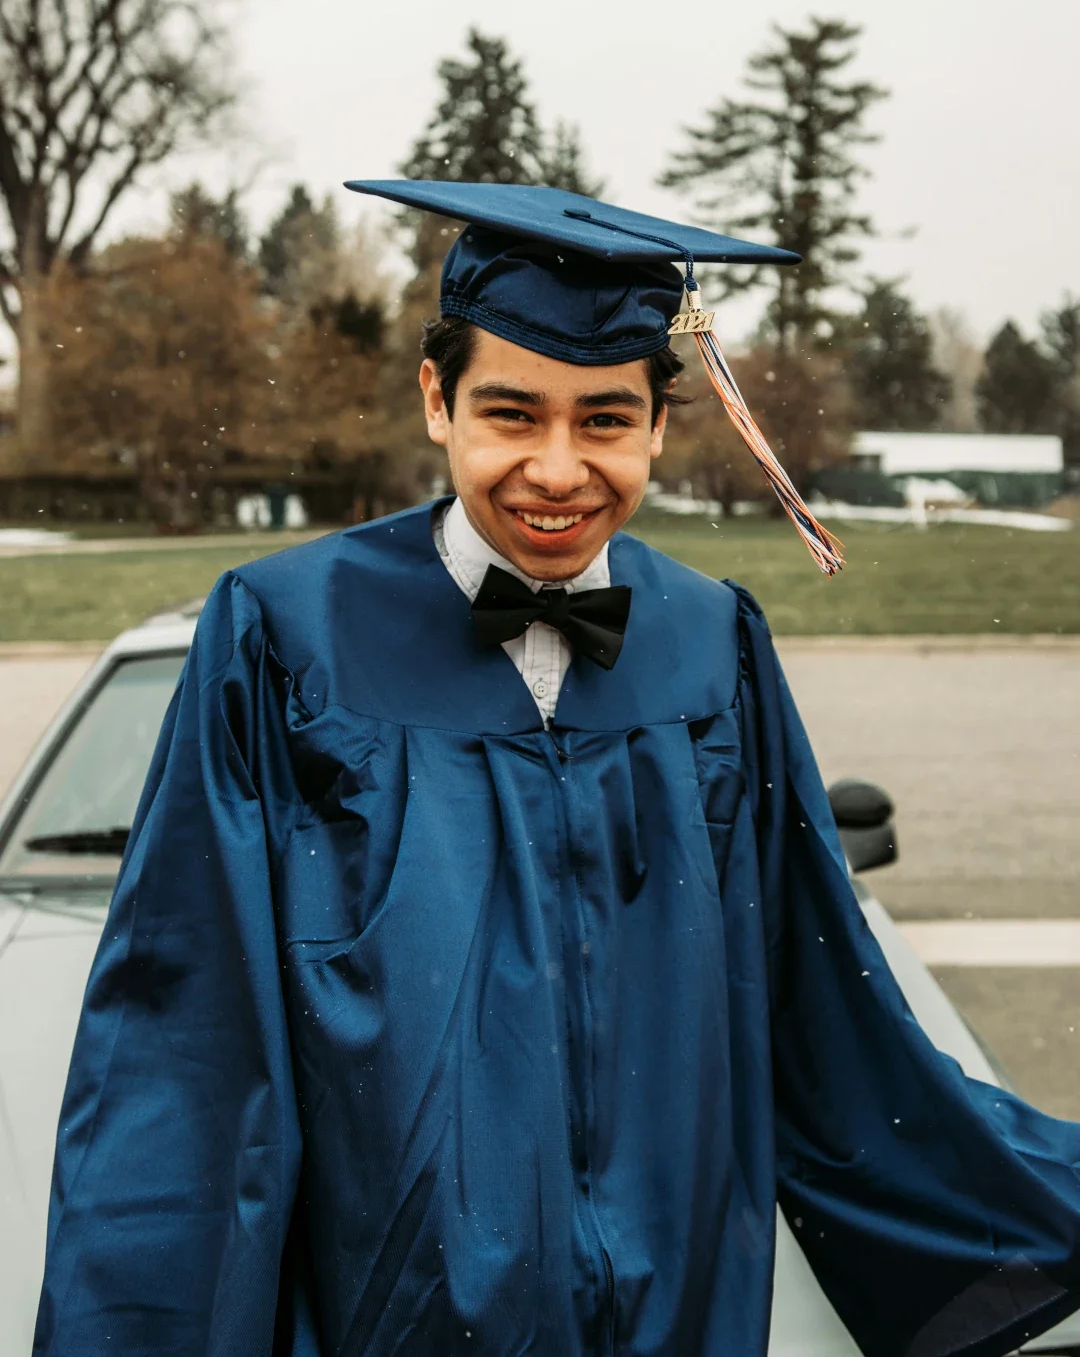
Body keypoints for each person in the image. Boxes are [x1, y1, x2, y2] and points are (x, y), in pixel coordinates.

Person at [33, 183, 1080, 1357]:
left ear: (659, 426)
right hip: (393, 1313)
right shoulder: (286, 638)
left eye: (603, 420)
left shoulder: (712, 646)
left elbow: (829, 1020)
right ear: (438, 401)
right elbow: (189, 1044)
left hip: (672, 1311)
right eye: (512, 413)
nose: (556, 468)